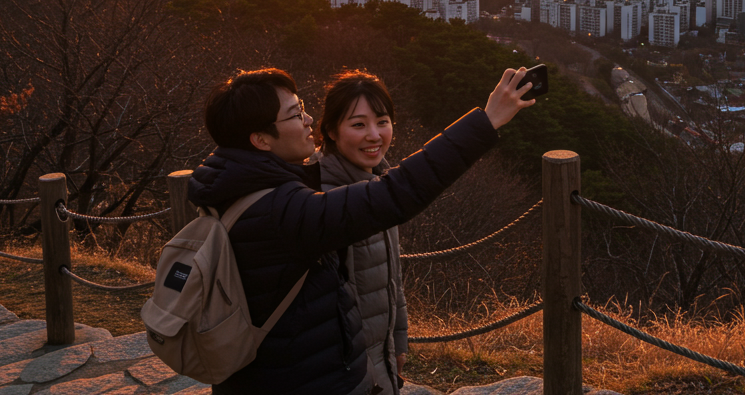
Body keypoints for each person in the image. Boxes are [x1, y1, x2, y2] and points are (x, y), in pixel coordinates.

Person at [189, 66, 535, 395]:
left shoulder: (240, 189)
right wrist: (486, 121)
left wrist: (393, 345)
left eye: (303, 109)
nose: (309, 120)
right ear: (261, 139)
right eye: (296, 115)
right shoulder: (284, 211)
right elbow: (397, 193)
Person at [313, 71, 408, 395]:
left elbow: (390, 277)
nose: (374, 135)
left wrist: (398, 341)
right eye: (358, 124)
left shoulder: (380, 184)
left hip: (378, 361)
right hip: (345, 371)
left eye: (382, 121)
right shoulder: (322, 197)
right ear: (330, 131)